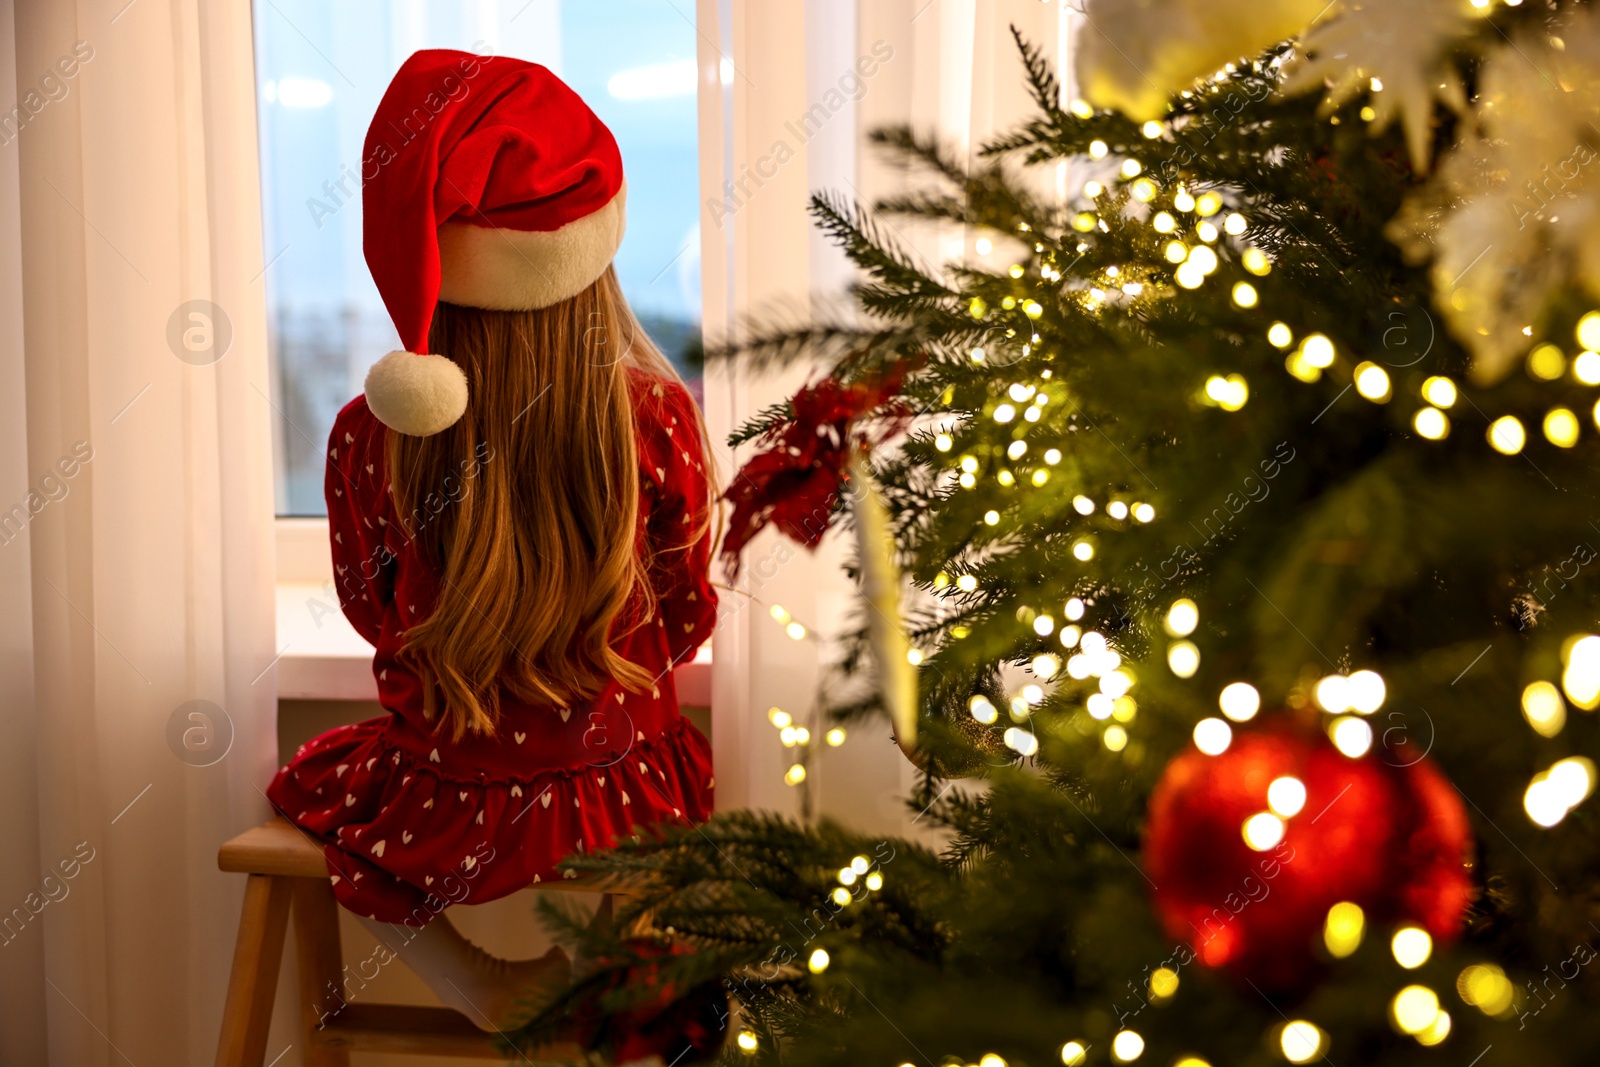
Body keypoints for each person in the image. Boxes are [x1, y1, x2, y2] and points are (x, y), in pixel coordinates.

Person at [265, 48, 717, 1031]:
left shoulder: (368, 433)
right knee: (658, 785)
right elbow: (685, 617)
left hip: (448, 795)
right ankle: (605, 971)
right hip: (626, 788)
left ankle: (476, 981)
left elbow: (368, 610)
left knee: (314, 787)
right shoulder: (655, 415)